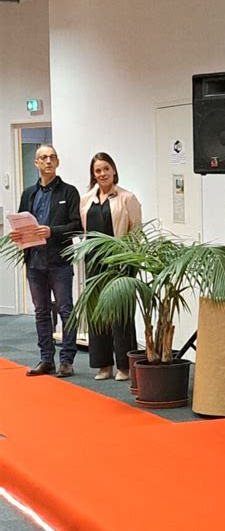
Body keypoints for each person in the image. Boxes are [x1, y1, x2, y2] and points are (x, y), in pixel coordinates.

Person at [10, 144, 81, 377]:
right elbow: (21, 221)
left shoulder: (68, 192)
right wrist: (17, 235)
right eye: (43, 158)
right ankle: (45, 359)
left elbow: (77, 227)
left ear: (57, 162)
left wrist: (52, 231)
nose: (47, 161)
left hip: (59, 261)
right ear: (36, 163)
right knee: (41, 311)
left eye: (51, 157)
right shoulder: (28, 193)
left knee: (65, 309)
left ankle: (67, 360)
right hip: (34, 262)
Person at [80, 152, 142, 381]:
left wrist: (130, 262)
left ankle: (124, 366)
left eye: (106, 168)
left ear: (113, 170)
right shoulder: (86, 199)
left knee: (121, 315)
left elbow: (136, 233)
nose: (102, 173)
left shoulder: (127, 198)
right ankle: (103, 365)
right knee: (97, 313)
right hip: (94, 262)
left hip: (120, 263)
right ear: (93, 175)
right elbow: (85, 232)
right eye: (98, 170)